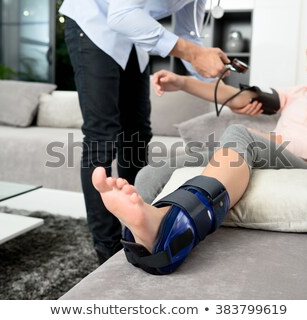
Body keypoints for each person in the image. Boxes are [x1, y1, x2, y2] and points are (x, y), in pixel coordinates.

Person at [92, 12, 307, 275]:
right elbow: (242, 98)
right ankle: (140, 242)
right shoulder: (301, 91)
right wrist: (182, 82)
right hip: (272, 154)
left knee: (241, 133)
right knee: (152, 173)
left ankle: (178, 223)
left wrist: (273, 140)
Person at [59, 0, 230, 264]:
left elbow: (188, 35)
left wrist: (214, 71)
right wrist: (195, 54)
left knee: (138, 134)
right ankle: (107, 251)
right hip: (93, 24)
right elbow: (121, 14)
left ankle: (137, 231)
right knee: (102, 136)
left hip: (134, 35)